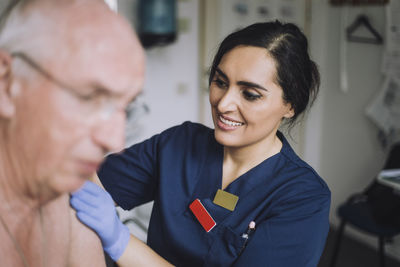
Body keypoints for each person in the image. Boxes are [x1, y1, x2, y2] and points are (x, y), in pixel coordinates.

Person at [71, 21, 331, 266]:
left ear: (290, 105)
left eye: (250, 94)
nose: (223, 103)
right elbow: (89, 187)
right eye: (220, 82)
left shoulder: (303, 198)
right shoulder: (178, 145)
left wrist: (120, 241)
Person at [0, 0, 146, 266]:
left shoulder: (67, 196)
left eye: (126, 108)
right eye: (90, 98)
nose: (114, 141)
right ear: (7, 83)